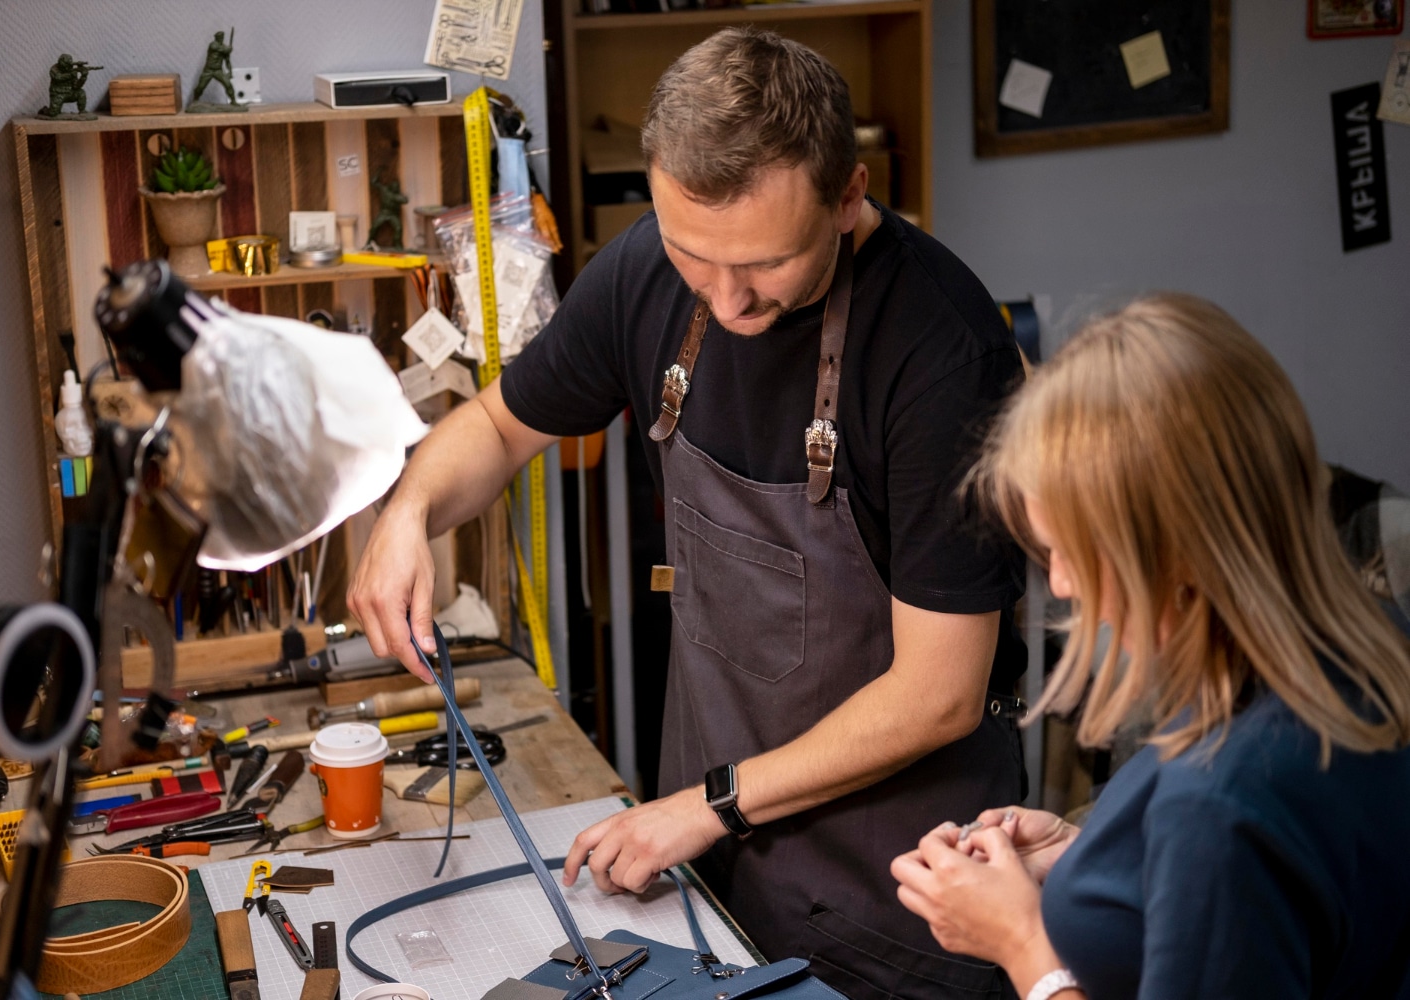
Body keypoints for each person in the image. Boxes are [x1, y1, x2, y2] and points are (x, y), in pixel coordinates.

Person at [349, 28, 1028, 999]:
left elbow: (941, 692)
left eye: (762, 264)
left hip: (909, 895)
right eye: (690, 254)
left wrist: (708, 806)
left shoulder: (943, 354)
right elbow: (499, 429)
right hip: (716, 861)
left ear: (848, 196)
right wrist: (409, 507)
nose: (723, 293)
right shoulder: (648, 274)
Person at [890, 294, 1410, 1000]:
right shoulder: (1368, 648)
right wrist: (1094, 862)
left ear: (1183, 548)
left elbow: (1228, 856)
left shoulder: (1222, 801)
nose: (1066, 587)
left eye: (1075, 552)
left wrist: (1021, 943)